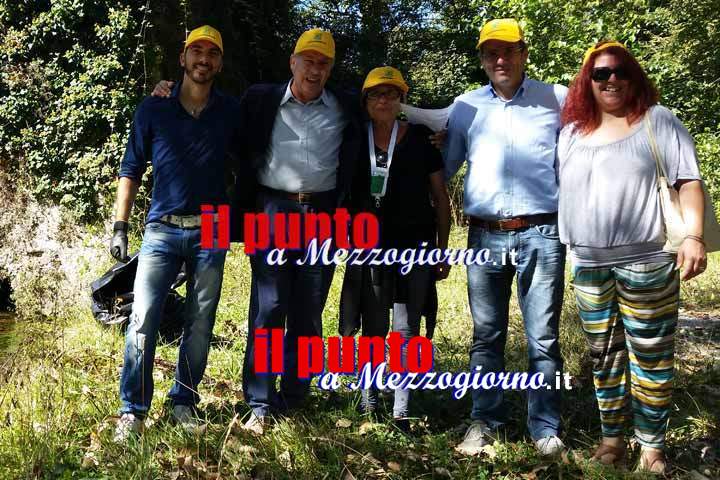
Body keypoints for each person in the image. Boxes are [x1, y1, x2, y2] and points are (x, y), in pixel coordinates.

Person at [558, 40, 707, 474]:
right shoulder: (571, 133)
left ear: (634, 77)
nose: (612, 79)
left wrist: (694, 236)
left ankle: (652, 448)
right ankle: (612, 441)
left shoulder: (657, 121)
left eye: (620, 71)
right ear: (587, 81)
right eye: (601, 73)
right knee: (604, 356)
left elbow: (688, 180)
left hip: (648, 261)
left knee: (651, 357)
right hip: (588, 264)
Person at [444, 19, 567, 456]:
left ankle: (545, 428)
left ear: (524, 54)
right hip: (484, 236)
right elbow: (443, 165)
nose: (501, 59)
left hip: (543, 233)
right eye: (492, 52)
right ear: (482, 60)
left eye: (509, 50)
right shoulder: (465, 107)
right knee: (486, 334)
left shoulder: (557, 99)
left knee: (544, 337)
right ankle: (485, 421)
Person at [111, 25, 240, 442]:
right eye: (196, 51)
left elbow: (253, 160)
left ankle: (183, 402)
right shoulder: (154, 108)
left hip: (213, 229)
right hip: (161, 230)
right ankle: (133, 411)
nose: (204, 59)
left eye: (212, 53)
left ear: (220, 63)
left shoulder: (231, 111)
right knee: (143, 318)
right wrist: (120, 226)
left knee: (201, 322)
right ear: (183, 58)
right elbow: (131, 168)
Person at [234, 29, 362, 434]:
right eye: (308, 61)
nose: (315, 69)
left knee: (308, 310)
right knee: (269, 306)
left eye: (323, 63)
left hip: (323, 215)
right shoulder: (260, 99)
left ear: (331, 69)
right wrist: (168, 91)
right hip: (272, 209)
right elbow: (215, 114)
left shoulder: (345, 105)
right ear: (293, 62)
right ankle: (259, 399)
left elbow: (390, 109)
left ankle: (294, 396)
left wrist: (434, 131)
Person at [338, 67, 451, 430]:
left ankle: (401, 409)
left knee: (406, 328)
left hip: (414, 247)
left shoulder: (421, 139)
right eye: (376, 94)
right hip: (368, 247)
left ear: (402, 99)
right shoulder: (354, 139)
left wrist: (443, 249)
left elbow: (440, 197)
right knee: (372, 326)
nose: (383, 100)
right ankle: (369, 402)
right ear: (365, 101)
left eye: (391, 94)